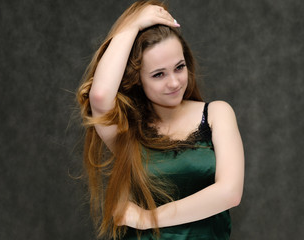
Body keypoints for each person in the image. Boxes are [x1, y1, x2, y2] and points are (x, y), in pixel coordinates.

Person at [76, 0, 244, 239]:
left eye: (179, 67)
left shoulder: (217, 113)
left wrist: (147, 218)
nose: (174, 82)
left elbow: (229, 192)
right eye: (158, 74)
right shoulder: (127, 130)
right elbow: (101, 96)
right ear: (137, 79)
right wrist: (133, 25)